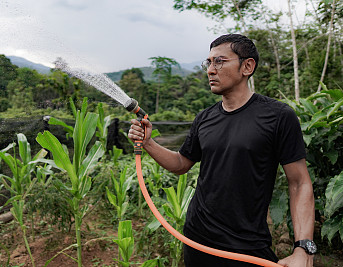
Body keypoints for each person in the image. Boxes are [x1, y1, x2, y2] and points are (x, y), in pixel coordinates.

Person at [128, 34, 315, 266]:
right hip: (197, 238)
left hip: (247, 245)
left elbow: (300, 183)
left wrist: (304, 249)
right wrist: (148, 143)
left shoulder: (278, 116)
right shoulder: (204, 118)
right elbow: (181, 164)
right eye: (208, 62)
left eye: (220, 61)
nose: (210, 70)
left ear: (247, 66)